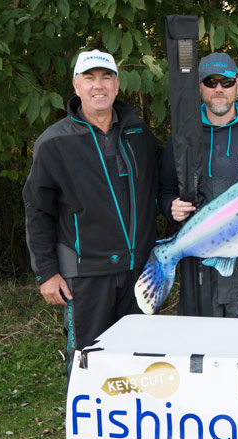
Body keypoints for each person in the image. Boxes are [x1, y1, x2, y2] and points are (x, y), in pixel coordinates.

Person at [22, 49, 162, 371]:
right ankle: (83, 422)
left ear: (116, 85)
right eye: (89, 78)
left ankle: (130, 420)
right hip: (85, 276)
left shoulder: (138, 133)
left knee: (137, 360)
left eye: (106, 77)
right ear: (76, 85)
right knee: (89, 363)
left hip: (138, 272)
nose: (98, 86)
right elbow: (37, 210)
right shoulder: (54, 142)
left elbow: (164, 182)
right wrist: (46, 271)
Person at [159, 52, 238, 318]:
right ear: (199, 86)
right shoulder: (182, 137)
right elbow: (164, 190)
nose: (219, 89)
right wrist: (170, 206)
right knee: (202, 349)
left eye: (226, 82)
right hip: (199, 266)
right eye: (211, 81)